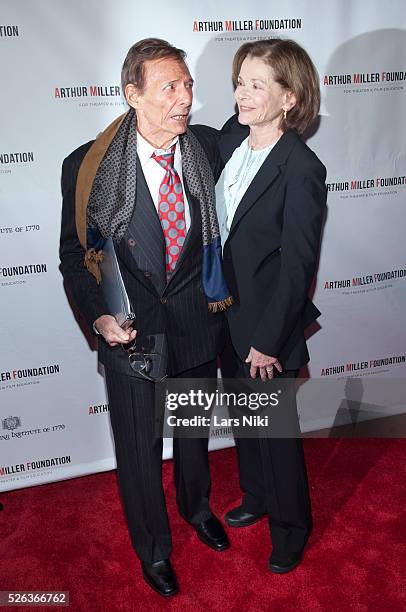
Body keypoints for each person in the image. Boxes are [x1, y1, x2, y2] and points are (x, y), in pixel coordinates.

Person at [59, 38, 232, 598]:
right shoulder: (87, 167)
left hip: (197, 320)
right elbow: (73, 256)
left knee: (192, 435)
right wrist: (99, 319)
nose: (183, 99)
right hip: (130, 334)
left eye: (187, 85)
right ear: (132, 94)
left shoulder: (207, 147)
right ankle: (153, 549)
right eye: (168, 88)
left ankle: (196, 507)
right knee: (137, 451)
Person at [216, 39, 327, 573]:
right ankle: (256, 496)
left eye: (257, 85)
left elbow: (298, 266)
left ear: (290, 97)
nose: (242, 93)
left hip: (266, 325)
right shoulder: (233, 136)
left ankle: (291, 528)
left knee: (277, 433)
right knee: (245, 421)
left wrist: (268, 338)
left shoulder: (301, 167)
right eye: (241, 81)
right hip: (226, 317)